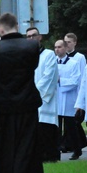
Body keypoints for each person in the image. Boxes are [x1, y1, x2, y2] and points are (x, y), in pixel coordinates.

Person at [0, 12, 45, 173]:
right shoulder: (32, 46)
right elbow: (32, 68)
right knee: (25, 148)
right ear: (17, 26)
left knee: (3, 150)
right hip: (27, 103)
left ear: (0, 29)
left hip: (3, 107)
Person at [27, 27, 60, 162]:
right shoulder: (26, 56)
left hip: (45, 100)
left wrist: (33, 92)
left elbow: (49, 76)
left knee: (46, 131)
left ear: (40, 37)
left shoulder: (49, 54)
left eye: (34, 35)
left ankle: (51, 158)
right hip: (30, 100)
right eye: (28, 36)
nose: (31, 38)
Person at [57, 37, 87, 159]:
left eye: (59, 47)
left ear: (65, 48)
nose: (57, 49)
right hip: (57, 99)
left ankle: (77, 150)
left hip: (69, 98)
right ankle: (56, 149)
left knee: (71, 127)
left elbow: (75, 81)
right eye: (55, 47)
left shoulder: (73, 63)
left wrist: (60, 80)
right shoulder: (52, 62)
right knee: (56, 127)